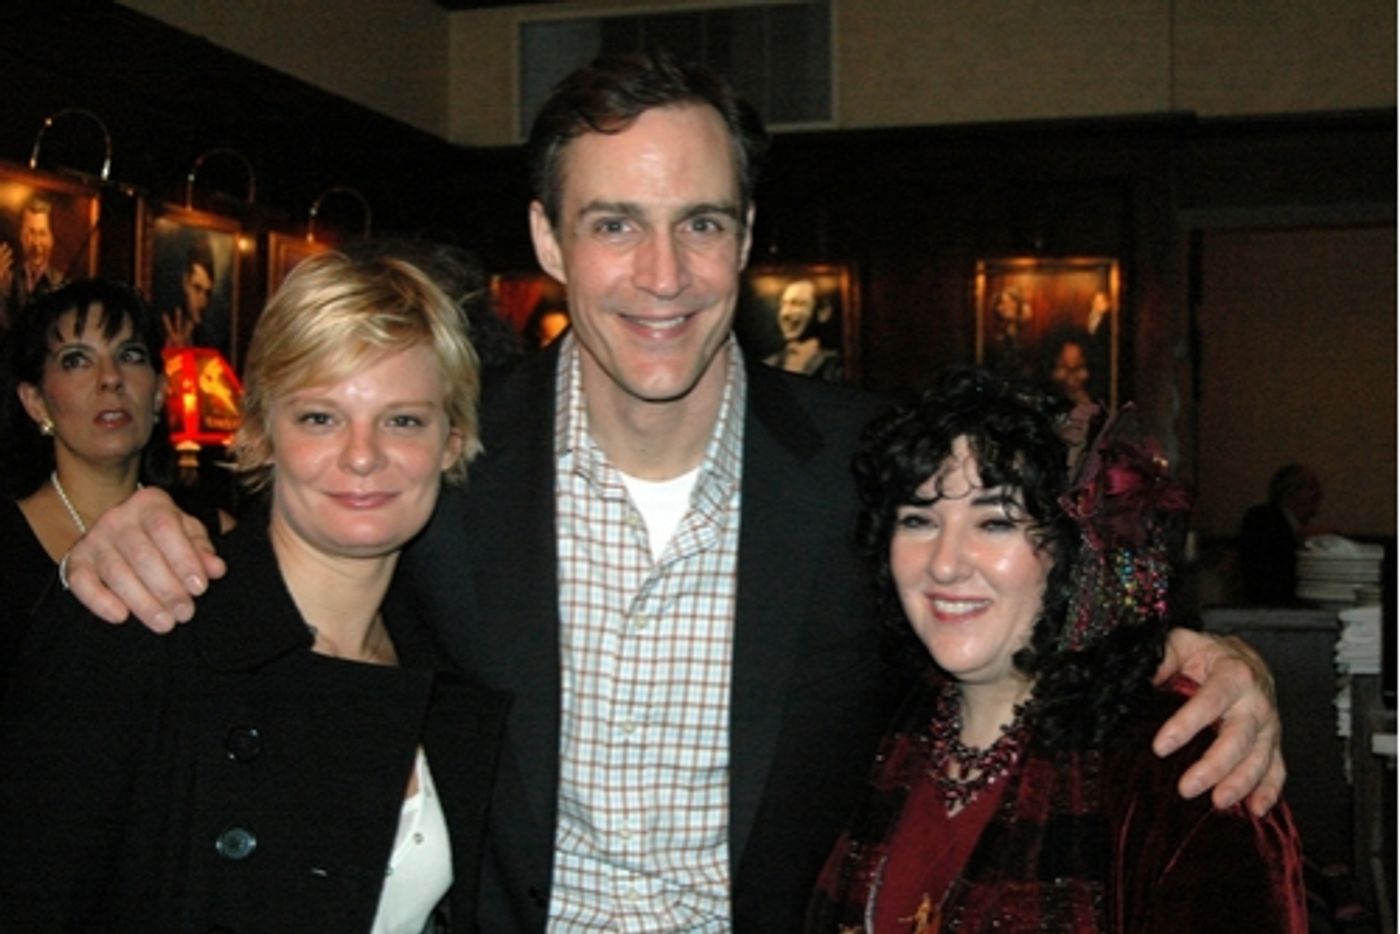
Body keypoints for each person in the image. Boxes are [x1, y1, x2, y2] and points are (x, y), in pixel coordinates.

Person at [63, 50, 1284, 931]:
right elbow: (308, 540)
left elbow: (1020, 610)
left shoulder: (867, 469)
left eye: (698, 224)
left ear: (745, 237)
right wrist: (143, 527)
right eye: (613, 225)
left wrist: (1201, 656)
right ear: (547, 240)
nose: (661, 276)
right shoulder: (449, 458)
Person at [0, 251, 509, 931]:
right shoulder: (143, 620)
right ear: (262, 434)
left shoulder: (451, 655)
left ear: (453, 440)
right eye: (320, 418)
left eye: (403, 420)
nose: (363, 454)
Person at [809, 368, 1305, 932]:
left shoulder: (1172, 765)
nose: (944, 564)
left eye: (995, 522)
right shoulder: (872, 729)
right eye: (919, 520)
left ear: (1072, 550)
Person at [0, 278, 226, 696]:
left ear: (158, 393)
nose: (110, 378)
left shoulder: (214, 534)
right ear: (35, 402)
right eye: (76, 360)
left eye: (130, 355)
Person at [1238, 463, 1323, 605]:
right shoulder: (1263, 520)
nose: (1318, 495)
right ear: (1289, 491)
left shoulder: (1285, 526)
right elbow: (1276, 575)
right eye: (1311, 488)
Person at [0, 195, 66, 333]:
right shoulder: (9, 281)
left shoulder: (62, 284)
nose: (36, 243)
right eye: (31, 232)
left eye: (42, 233)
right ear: (21, 236)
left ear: (51, 239)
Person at [763, 277, 843, 381]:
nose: (785, 314)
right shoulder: (769, 364)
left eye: (797, 304)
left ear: (823, 312)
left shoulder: (836, 365)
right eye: (783, 305)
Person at [162, 234, 217, 349]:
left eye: (207, 293)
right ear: (185, 281)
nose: (202, 301)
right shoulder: (165, 324)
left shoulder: (204, 335)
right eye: (197, 288)